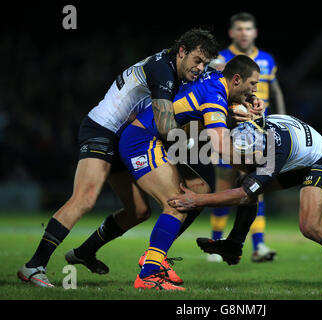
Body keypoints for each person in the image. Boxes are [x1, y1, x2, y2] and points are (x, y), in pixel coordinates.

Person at [17, 28, 219, 288]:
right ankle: (34, 265)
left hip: (128, 137)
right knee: (85, 198)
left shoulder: (171, 67)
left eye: (205, 63)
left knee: (139, 211)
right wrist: (199, 138)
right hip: (103, 130)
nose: (201, 68)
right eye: (197, 61)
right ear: (182, 52)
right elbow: (166, 127)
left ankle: (85, 252)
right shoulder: (163, 71)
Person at [66, 55, 263, 291]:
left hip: (158, 139)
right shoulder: (215, 96)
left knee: (199, 191)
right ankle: (150, 272)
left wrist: (248, 96)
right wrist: (253, 167)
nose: (256, 90)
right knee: (178, 202)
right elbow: (220, 147)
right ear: (238, 79)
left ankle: (152, 256)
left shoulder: (218, 77)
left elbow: (223, 69)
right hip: (142, 139)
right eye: (253, 85)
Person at [168, 115, 322, 292]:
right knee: (246, 180)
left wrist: (196, 199)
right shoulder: (253, 123)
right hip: (298, 156)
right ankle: (234, 245)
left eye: (249, 158)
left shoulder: (275, 154)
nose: (247, 162)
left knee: (310, 226)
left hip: (321, 160)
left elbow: (243, 194)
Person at [208, 12, 286, 263]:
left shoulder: (267, 60)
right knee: (224, 186)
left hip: (260, 131)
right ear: (232, 33)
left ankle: (258, 245)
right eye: (239, 29)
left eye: (248, 28)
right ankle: (216, 241)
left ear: (255, 32)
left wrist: (281, 120)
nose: (244, 33)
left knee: (256, 186)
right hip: (229, 129)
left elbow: (275, 90)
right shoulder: (221, 59)